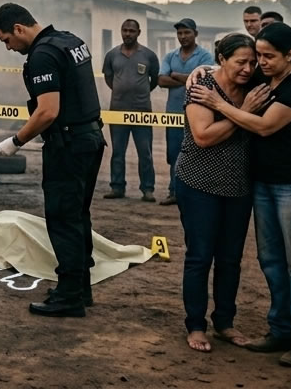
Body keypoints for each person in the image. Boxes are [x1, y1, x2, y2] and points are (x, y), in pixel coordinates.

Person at [189, 23, 291, 366]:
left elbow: (264, 126)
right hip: (263, 185)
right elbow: (225, 71)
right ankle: (281, 330)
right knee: (272, 262)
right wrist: (202, 68)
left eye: (267, 56)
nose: (258, 63)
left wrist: (218, 105)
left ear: (289, 56)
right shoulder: (264, 81)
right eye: (256, 57)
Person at [0, 3, 105, 317]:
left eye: (7, 41)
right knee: (78, 216)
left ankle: (69, 297)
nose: (9, 48)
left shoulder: (42, 54)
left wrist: (15, 141)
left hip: (69, 145)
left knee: (63, 218)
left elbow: (48, 111)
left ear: (19, 28)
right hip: (91, 138)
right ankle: (80, 288)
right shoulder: (71, 41)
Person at [176, 34, 257, 354]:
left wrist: (238, 109)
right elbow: (203, 136)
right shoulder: (202, 88)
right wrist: (244, 114)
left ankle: (225, 322)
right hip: (199, 184)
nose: (248, 68)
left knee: (230, 259)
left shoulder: (254, 86)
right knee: (200, 256)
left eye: (252, 62)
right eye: (240, 62)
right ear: (222, 59)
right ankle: (196, 325)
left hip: (238, 186)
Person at [157, 19, 215, 205]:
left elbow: (205, 80)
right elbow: (161, 81)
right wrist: (190, 77)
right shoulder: (171, 56)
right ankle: (174, 192)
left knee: (199, 153)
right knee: (174, 154)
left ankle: (196, 193)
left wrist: (175, 75)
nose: (183, 37)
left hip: (199, 114)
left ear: (195, 34)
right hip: (173, 114)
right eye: (180, 33)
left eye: (186, 33)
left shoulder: (205, 56)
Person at [103, 19, 160, 201]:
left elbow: (155, 79)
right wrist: (121, 91)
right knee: (118, 151)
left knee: (145, 152)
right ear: (121, 31)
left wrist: (140, 92)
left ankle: (148, 189)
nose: (128, 34)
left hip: (142, 110)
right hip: (118, 110)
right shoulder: (112, 55)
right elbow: (108, 78)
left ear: (138, 32)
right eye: (125, 30)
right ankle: (117, 187)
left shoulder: (149, 55)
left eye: (132, 31)